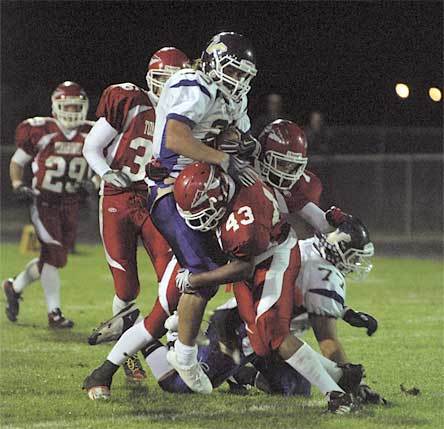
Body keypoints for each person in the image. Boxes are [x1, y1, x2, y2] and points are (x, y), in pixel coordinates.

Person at [172, 162, 361, 413]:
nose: (201, 221)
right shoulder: (233, 189)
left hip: (274, 257)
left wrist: (196, 280)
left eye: (203, 212)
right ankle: (341, 374)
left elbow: (243, 268)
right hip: (256, 256)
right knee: (260, 343)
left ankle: (335, 393)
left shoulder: (244, 225)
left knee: (273, 331)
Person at [145, 32, 259, 394]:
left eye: (245, 75)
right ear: (212, 61)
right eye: (233, 71)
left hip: (207, 189)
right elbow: (176, 139)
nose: (238, 81)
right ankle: (184, 351)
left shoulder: (232, 98)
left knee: (234, 257)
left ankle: (175, 331)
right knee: (204, 272)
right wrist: (224, 157)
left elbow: (240, 138)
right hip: (173, 188)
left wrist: (241, 145)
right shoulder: (193, 84)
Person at [82, 47, 190, 381]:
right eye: (161, 80)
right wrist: (105, 172)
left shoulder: (187, 114)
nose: (166, 87)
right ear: (149, 80)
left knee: (172, 279)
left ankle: (175, 347)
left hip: (158, 200)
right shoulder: (129, 100)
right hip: (118, 197)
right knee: (126, 289)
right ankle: (130, 360)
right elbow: (92, 147)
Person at [3, 81, 95, 328]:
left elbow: (97, 164)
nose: (73, 111)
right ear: (56, 106)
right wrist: (16, 184)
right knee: (53, 253)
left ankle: (14, 286)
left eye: (77, 106)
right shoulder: (41, 130)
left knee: (55, 258)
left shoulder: (91, 132)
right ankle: (54, 313)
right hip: (43, 200)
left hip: (71, 202)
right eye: (68, 106)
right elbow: (17, 162)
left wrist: (94, 182)